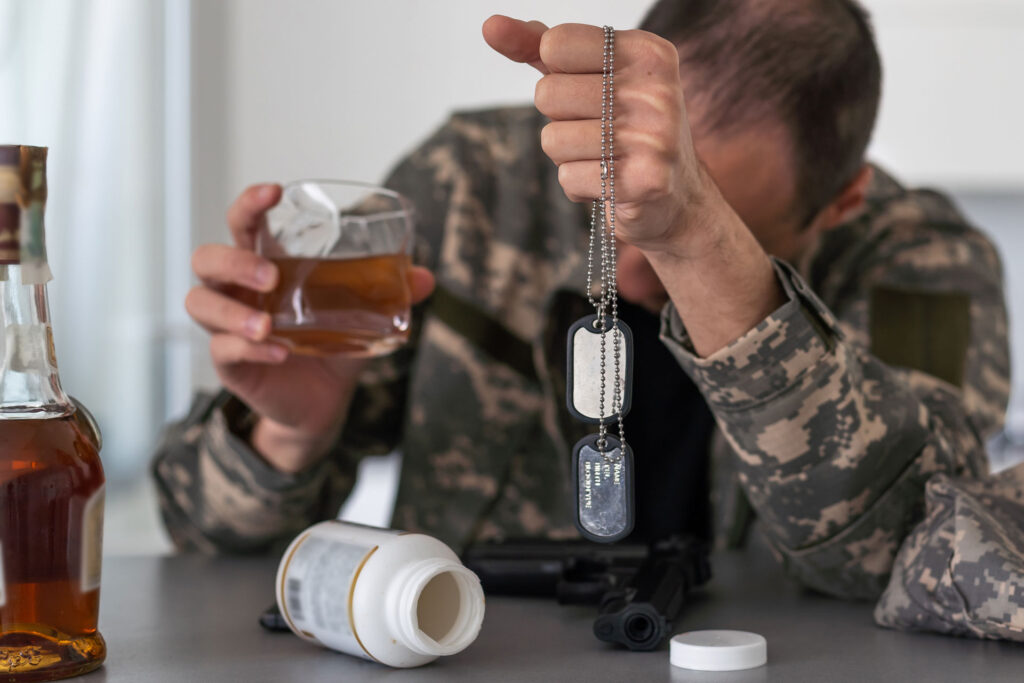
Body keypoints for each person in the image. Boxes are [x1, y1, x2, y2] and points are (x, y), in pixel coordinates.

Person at [153, 0, 1009, 604]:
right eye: (622, 202)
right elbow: (201, 538)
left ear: (842, 202)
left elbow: (917, 554)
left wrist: (704, 244)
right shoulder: (471, 184)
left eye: (721, 218)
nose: (640, 271)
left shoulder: (919, 261)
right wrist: (291, 435)